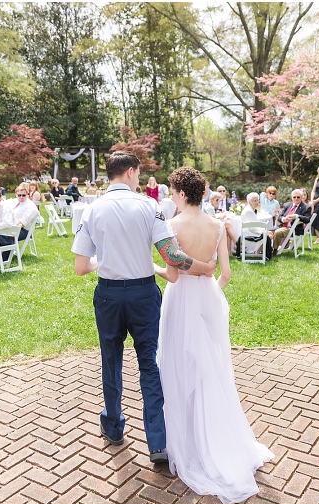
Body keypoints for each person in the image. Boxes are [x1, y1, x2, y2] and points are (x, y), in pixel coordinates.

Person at [71, 151, 216, 465]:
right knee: (149, 364)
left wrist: (104, 261)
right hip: (143, 294)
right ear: (131, 173)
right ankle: (157, 442)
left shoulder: (91, 210)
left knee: (110, 361)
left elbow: (81, 267)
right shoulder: (149, 206)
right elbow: (172, 256)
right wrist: (204, 267)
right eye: (137, 174)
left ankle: (113, 426)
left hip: (109, 295)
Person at [153, 166, 274, 504]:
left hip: (180, 301)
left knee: (180, 364)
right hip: (207, 296)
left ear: (179, 193)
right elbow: (226, 274)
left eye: (172, 193)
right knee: (209, 368)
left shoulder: (172, 226)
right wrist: (211, 294)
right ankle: (216, 435)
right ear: (201, 193)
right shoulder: (218, 226)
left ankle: (190, 440)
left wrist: (154, 269)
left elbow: (174, 277)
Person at [269, 189, 312, 256]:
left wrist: (296, 216)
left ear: (301, 197)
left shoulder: (306, 207)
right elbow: (280, 217)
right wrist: (284, 219)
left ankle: (274, 251)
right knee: (267, 231)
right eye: (294, 197)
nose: (296, 199)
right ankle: (266, 249)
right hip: (283, 226)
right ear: (292, 197)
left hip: (294, 229)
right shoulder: (287, 205)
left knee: (277, 232)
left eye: (298, 197)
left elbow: (307, 219)